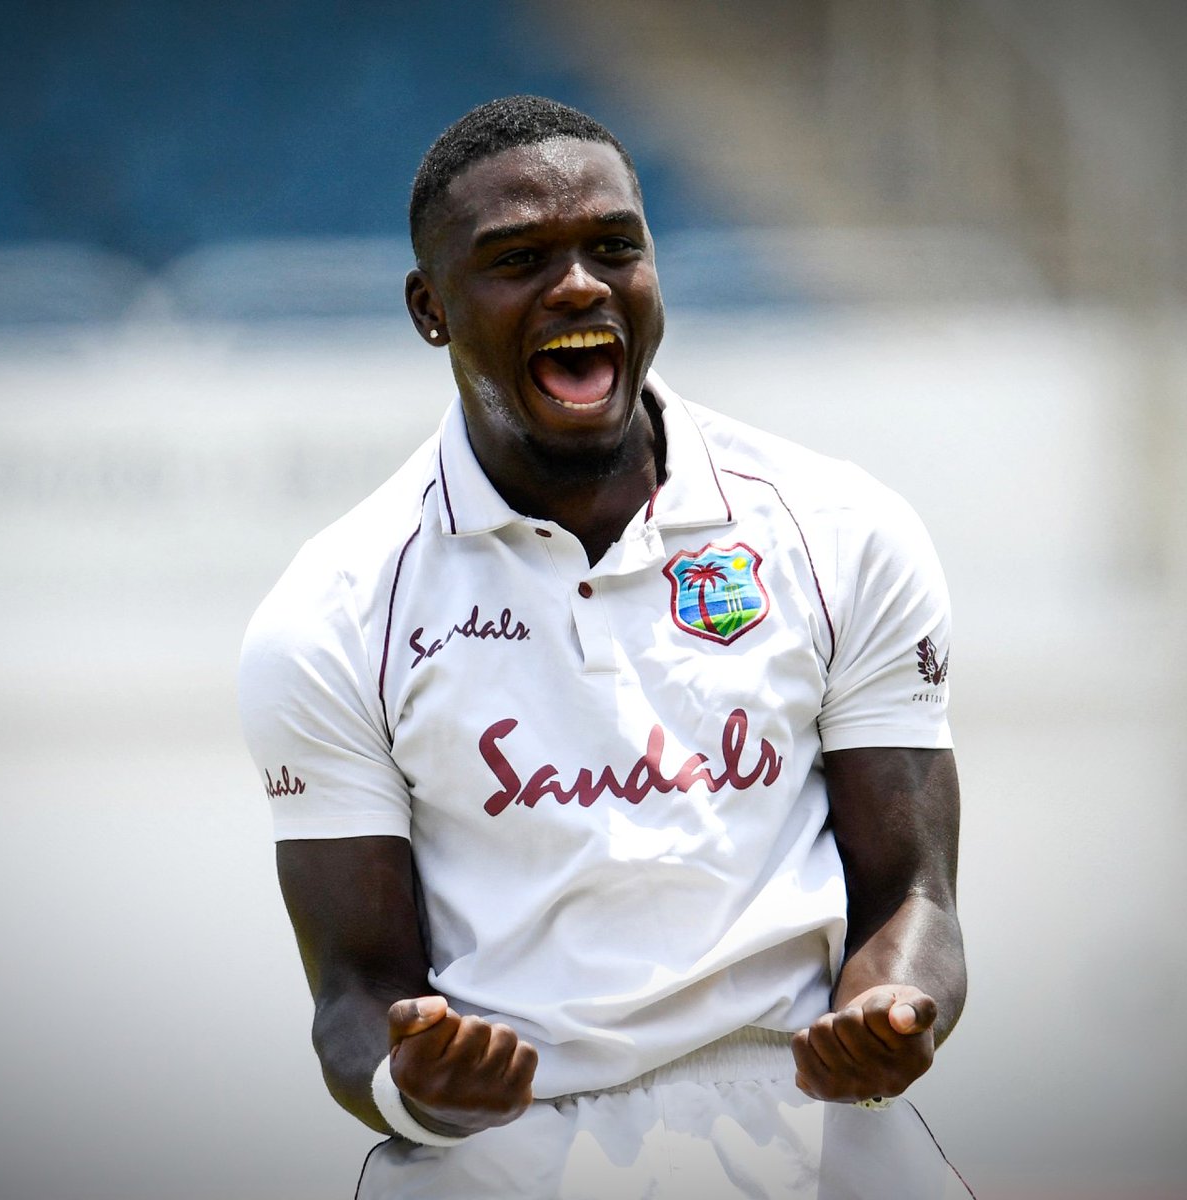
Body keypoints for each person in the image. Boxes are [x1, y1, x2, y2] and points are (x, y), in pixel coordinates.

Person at [238, 95, 971, 1199]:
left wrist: (890, 1014)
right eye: (520, 258)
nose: (579, 285)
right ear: (430, 309)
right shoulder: (333, 610)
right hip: (501, 1150)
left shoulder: (840, 532)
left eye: (614, 247)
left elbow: (914, 896)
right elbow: (353, 992)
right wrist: (418, 1081)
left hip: (810, 1127)